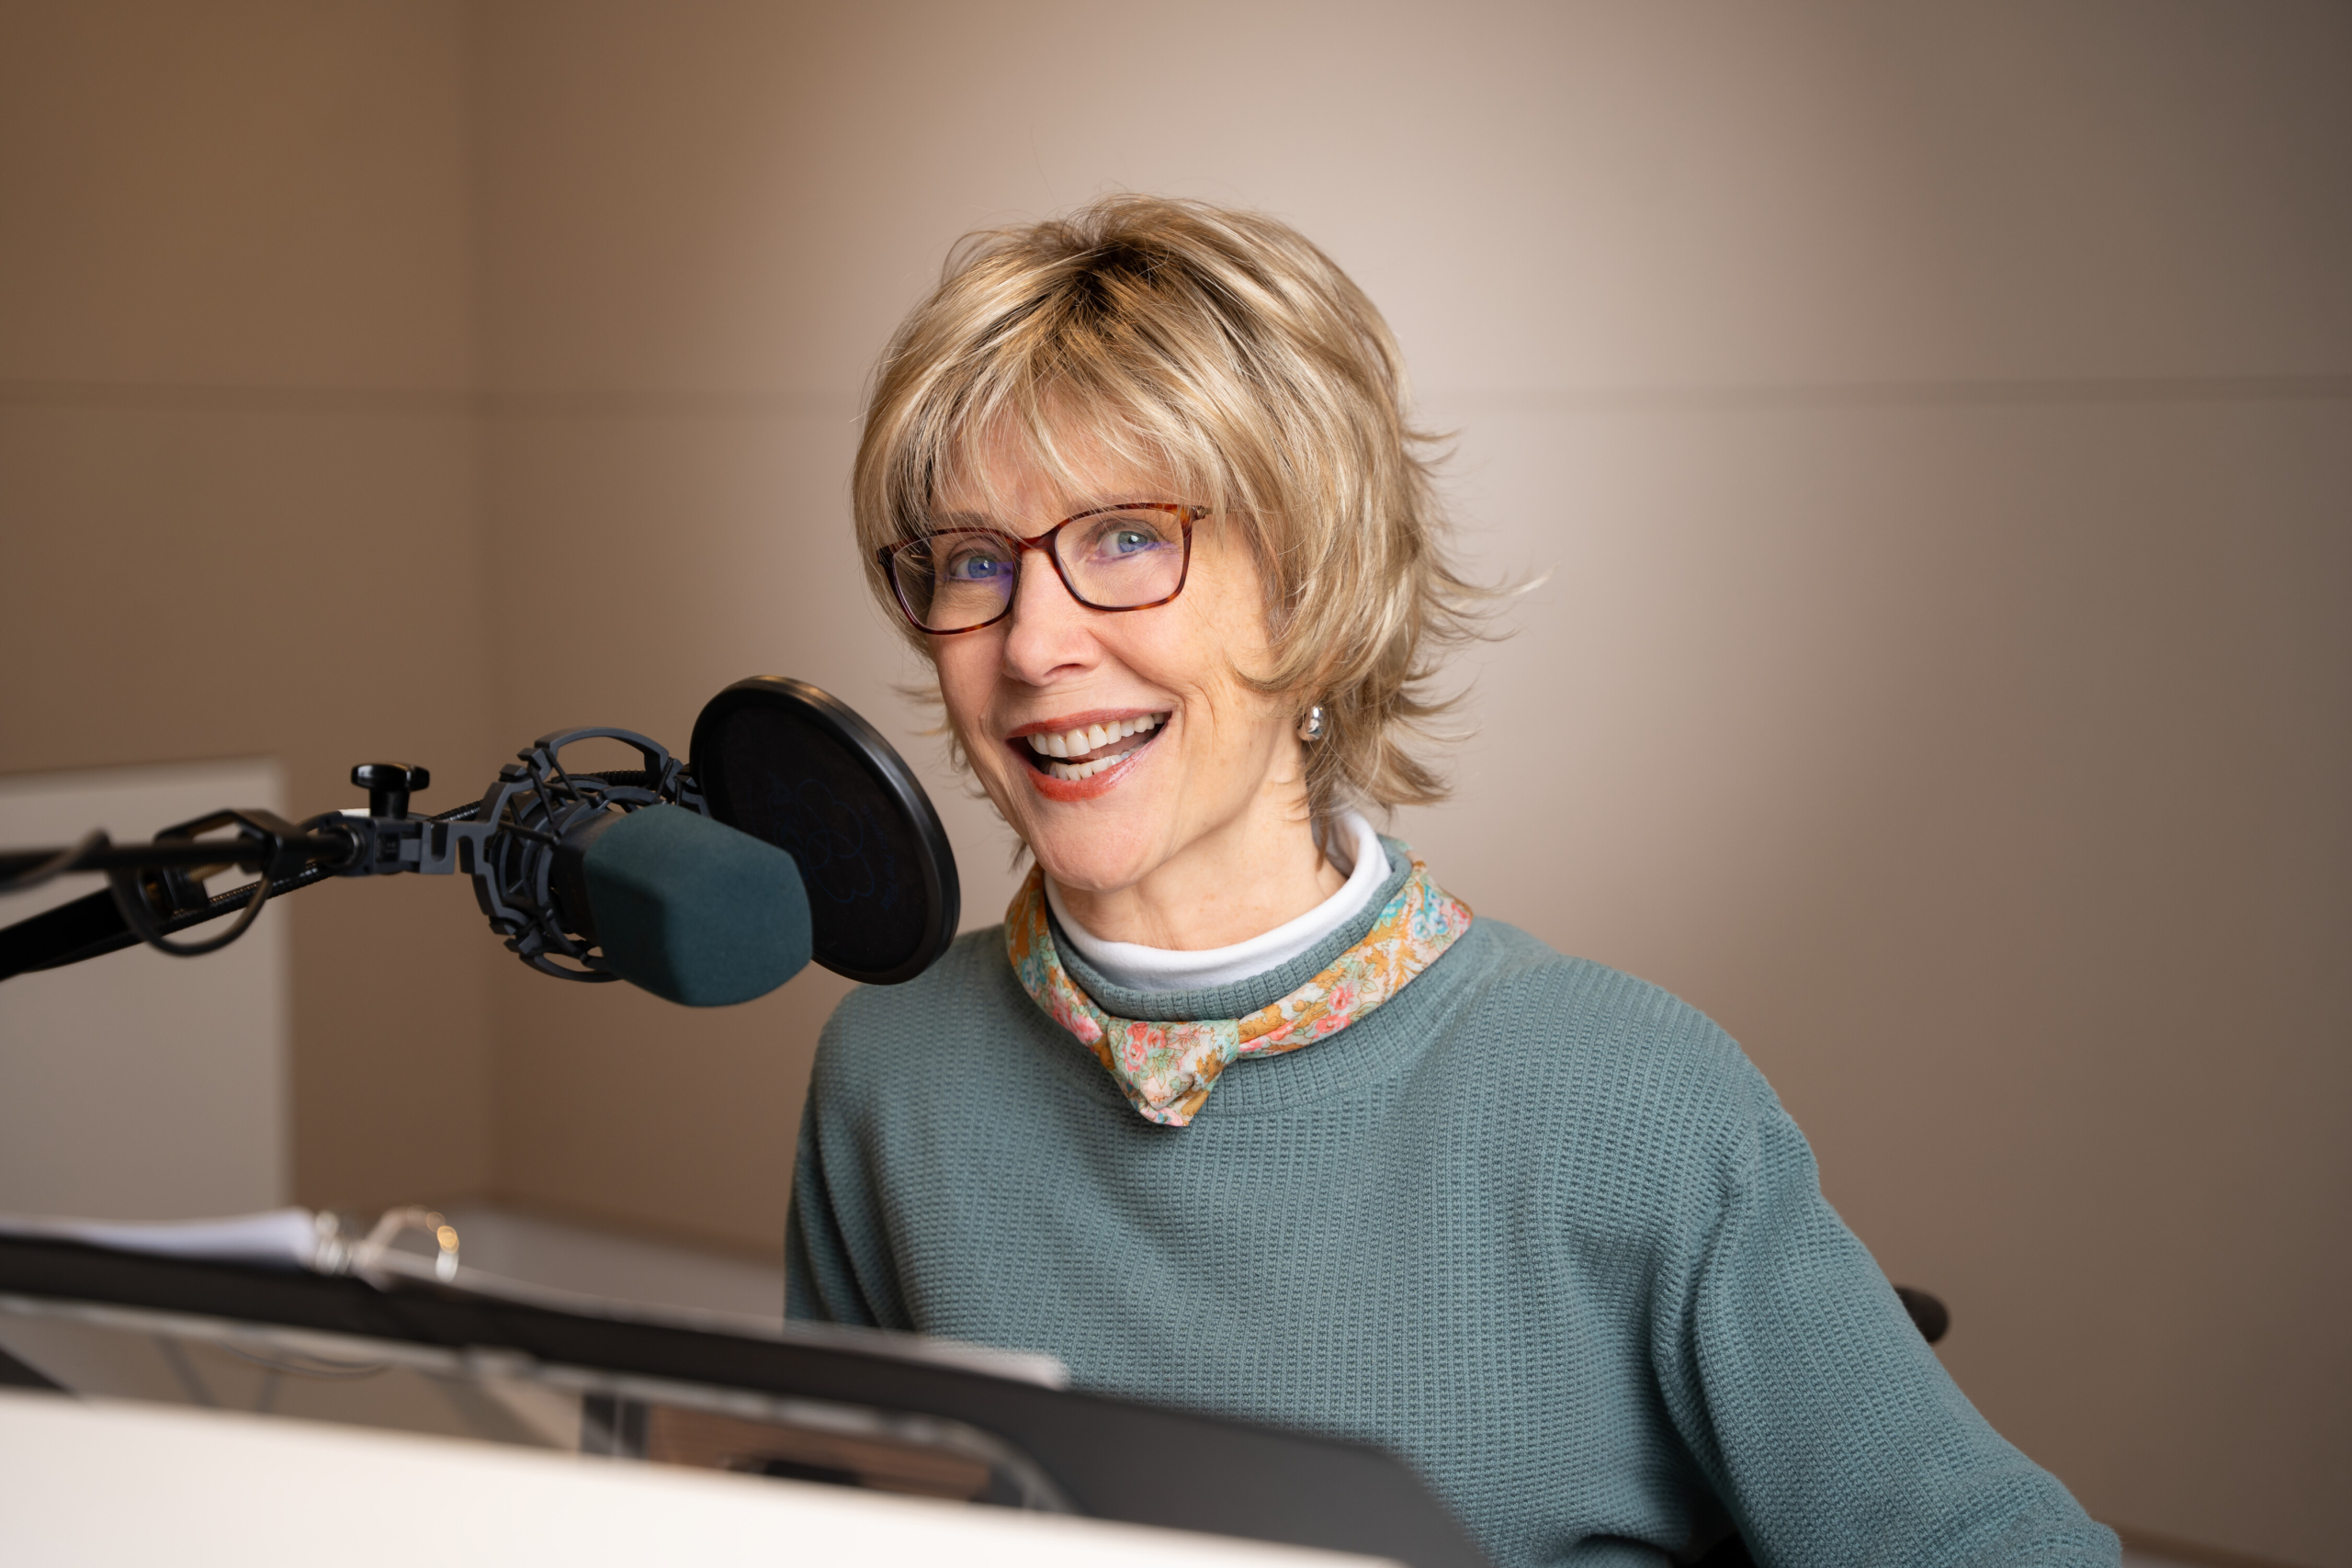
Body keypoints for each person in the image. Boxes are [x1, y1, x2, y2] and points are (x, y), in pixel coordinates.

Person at [786, 195, 2118, 1568]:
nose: (1033, 643)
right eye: (975, 562)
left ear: (1311, 584)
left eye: (1125, 538)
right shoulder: (892, 1072)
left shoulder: (1628, 1095)